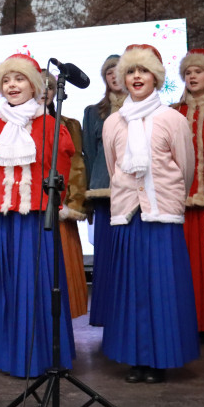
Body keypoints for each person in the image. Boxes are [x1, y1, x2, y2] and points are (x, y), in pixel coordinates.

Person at [101, 44, 199, 384]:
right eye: (130, 71)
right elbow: (115, 168)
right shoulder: (114, 123)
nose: (137, 77)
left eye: (143, 71)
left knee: (162, 287)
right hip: (129, 215)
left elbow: (185, 167)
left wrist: (167, 201)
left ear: (156, 77)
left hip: (161, 215)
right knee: (132, 289)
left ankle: (160, 358)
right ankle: (135, 358)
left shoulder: (172, 119)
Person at [0, 53, 76, 378]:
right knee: (9, 288)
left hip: (36, 220)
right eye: (6, 80)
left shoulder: (50, 125)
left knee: (38, 285)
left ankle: (43, 357)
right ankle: (12, 356)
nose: (12, 85)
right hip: (6, 220)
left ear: (34, 84)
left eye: (19, 78)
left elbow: (61, 165)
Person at [172, 49, 204, 340]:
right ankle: (186, 320)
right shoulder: (174, 112)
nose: (192, 76)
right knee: (185, 263)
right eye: (188, 72)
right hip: (180, 201)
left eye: (198, 71)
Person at [41, 70, 89, 320]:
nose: (43, 92)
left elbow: (77, 166)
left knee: (63, 265)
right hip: (31, 206)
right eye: (38, 86)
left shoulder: (69, 124)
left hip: (59, 205)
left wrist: (72, 203)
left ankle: (63, 322)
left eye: (48, 87)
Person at [82, 54, 122, 327]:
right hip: (103, 191)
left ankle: (127, 309)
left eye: (119, 71)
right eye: (109, 72)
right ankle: (107, 312)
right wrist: (87, 195)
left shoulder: (141, 109)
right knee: (106, 255)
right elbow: (88, 154)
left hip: (135, 192)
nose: (114, 76)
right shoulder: (92, 112)